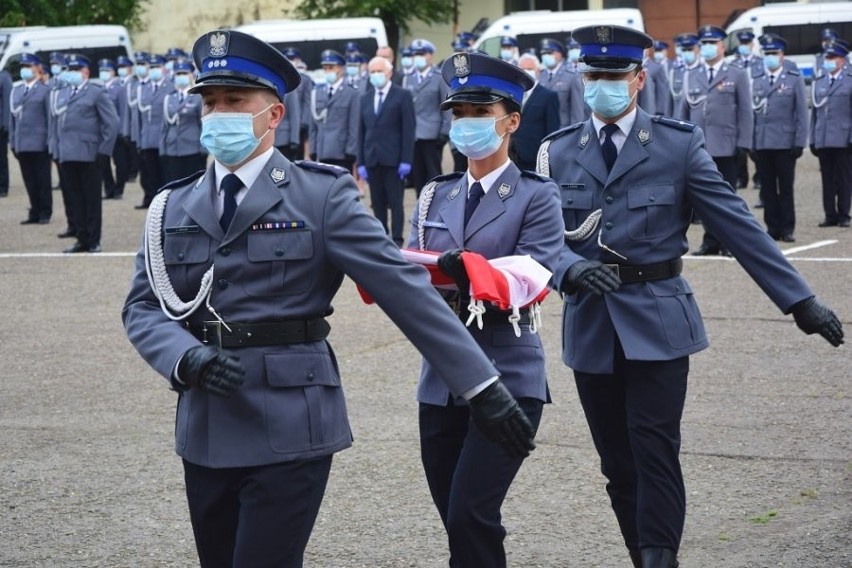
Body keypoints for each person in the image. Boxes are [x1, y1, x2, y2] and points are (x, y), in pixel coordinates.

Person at [122, 29, 535, 568]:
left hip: (291, 420)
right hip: (205, 420)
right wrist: (183, 356)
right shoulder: (172, 205)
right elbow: (142, 306)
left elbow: (402, 288)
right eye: (210, 101)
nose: (217, 113)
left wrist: (482, 386)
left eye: (234, 101)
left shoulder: (320, 195)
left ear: (272, 115)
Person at [537, 24, 844, 568]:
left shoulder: (676, 145)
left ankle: (661, 560)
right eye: (593, 76)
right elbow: (538, 238)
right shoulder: (558, 151)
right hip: (590, 325)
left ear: (638, 79)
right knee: (618, 463)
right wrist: (568, 271)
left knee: (655, 451)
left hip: (658, 318)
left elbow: (736, 224)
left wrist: (799, 301)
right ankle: (642, 554)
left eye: (613, 76)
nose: (601, 86)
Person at [409, 50, 564, 568]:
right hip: (442, 378)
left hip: (508, 373)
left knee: (471, 514)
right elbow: (412, 275)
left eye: (480, 114)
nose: (467, 125)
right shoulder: (435, 195)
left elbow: (533, 276)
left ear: (511, 121)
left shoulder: (535, 196)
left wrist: (465, 270)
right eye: (459, 115)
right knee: (458, 520)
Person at [678, 25, 753, 256]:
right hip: (700, 147)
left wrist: (744, 143)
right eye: (705, 44)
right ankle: (710, 241)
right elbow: (683, 111)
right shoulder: (692, 74)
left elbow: (745, 111)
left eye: (713, 43)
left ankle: (730, 243)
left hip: (727, 146)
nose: (708, 48)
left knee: (727, 198)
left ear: (722, 46)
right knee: (703, 198)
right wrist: (680, 142)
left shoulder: (736, 73)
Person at [50, 54, 119, 253]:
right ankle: (81, 238)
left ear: (86, 72)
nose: (71, 74)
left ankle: (93, 240)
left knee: (91, 199)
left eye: (75, 70)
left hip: (89, 154)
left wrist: (104, 150)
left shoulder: (96, 92)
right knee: (75, 198)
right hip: (68, 154)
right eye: (69, 70)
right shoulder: (64, 93)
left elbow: (111, 123)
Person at [751, 34, 808, 242]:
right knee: (767, 189)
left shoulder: (793, 78)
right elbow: (752, 115)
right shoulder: (757, 79)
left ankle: (787, 227)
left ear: (782, 55)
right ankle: (772, 227)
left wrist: (800, 142)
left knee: (785, 188)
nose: (771, 57)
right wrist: (751, 143)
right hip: (763, 142)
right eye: (767, 54)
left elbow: (801, 113)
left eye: (774, 53)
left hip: (785, 144)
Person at [357, 56, 415, 246]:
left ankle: (397, 240)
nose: (376, 75)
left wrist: (406, 160)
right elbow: (361, 132)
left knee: (396, 202)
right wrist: (361, 162)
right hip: (372, 159)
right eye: (372, 72)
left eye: (379, 71)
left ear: (389, 72)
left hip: (394, 160)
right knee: (377, 203)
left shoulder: (402, 95)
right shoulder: (365, 98)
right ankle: (382, 238)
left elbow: (408, 130)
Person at [810, 38, 852, 228]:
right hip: (823, 136)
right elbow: (815, 114)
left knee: (843, 177)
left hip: (843, 138)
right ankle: (830, 214)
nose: (828, 60)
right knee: (827, 178)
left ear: (842, 60)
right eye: (827, 57)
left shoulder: (849, 81)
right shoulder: (819, 81)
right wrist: (812, 138)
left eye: (833, 57)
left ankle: (844, 214)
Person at [405, 38, 450, 197]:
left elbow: (446, 105)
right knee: (417, 175)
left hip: (432, 134)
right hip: (414, 134)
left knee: (433, 174)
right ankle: (421, 209)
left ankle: (436, 207)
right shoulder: (408, 77)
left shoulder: (438, 76)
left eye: (422, 53)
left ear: (430, 55)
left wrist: (445, 131)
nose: (418, 57)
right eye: (416, 54)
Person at [10, 53, 52, 223]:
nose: (25, 70)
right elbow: (12, 119)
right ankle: (34, 210)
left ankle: (45, 211)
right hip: (22, 143)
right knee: (29, 181)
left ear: (37, 68)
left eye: (28, 67)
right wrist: (13, 141)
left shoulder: (44, 91)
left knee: (42, 180)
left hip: (39, 143)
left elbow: (49, 118)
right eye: (23, 67)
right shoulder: (17, 90)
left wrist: (49, 142)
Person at [135, 54, 175, 209]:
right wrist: (138, 139)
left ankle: (167, 205)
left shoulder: (170, 87)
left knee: (165, 174)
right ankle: (152, 203)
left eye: (156, 67)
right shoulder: (143, 89)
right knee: (150, 174)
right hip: (147, 139)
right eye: (151, 68)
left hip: (163, 139)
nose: (153, 70)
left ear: (164, 69)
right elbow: (138, 118)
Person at [511, 52, 560, 171]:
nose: (526, 71)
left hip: (535, 158)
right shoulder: (512, 95)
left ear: (537, 71)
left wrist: (547, 158)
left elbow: (552, 130)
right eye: (522, 68)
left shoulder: (548, 96)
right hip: (513, 156)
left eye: (530, 68)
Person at [160, 59, 206, 181]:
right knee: (173, 183)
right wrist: (162, 148)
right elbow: (164, 126)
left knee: (193, 183)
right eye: (178, 74)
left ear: (192, 75)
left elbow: (203, 124)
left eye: (184, 74)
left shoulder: (198, 97)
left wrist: (204, 148)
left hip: (192, 148)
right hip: (172, 148)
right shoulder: (169, 98)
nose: (181, 77)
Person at [538, 38, 587, 127]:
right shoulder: (541, 76)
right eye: (543, 54)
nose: (546, 56)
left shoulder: (572, 76)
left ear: (560, 54)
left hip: (562, 129)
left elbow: (577, 111)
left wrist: (575, 133)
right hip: (544, 130)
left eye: (549, 53)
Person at [97, 58, 121, 199]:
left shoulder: (119, 88)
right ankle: (109, 189)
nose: (103, 73)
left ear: (113, 72)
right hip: (103, 132)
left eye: (106, 71)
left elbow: (123, 111)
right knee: (103, 162)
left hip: (116, 132)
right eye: (101, 71)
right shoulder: (99, 89)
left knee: (119, 162)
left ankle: (119, 189)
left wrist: (123, 131)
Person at [0, 64, 12, 197]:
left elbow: (7, 102)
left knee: (1, 159)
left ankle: (3, 186)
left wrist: (5, 124)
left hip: (0, 126)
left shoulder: (3, 77)